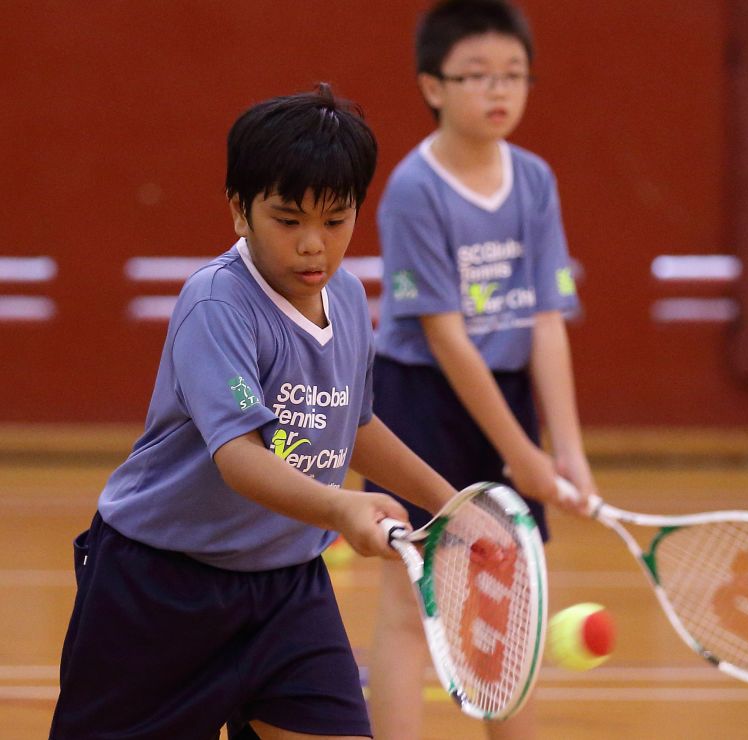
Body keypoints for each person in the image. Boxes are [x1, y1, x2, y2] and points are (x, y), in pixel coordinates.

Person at [49, 83, 460, 740]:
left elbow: (352, 425)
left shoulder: (349, 298)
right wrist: (340, 508)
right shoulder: (218, 305)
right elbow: (240, 457)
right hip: (159, 588)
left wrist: (450, 505)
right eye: (288, 219)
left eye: (335, 220)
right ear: (239, 211)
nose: (313, 246)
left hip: (288, 589)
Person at [364, 1, 596, 738]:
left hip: (508, 396)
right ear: (432, 86)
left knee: (507, 599)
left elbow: (546, 321)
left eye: (514, 75)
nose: (499, 91)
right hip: (421, 401)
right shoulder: (414, 189)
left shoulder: (533, 181)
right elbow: (446, 338)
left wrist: (566, 451)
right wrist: (523, 455)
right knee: (411, 605)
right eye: (477, 76)